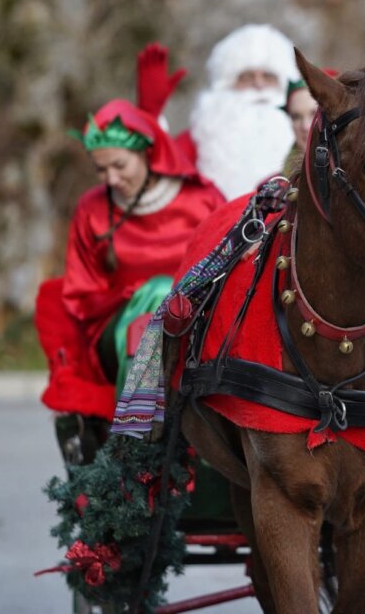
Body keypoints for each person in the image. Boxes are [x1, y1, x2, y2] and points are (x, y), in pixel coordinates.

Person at [35, 46, 225, 463]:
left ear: (145, 152)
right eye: (100, 169)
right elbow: (82, 293)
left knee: (166, 300)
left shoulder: (200, 198)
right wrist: (141, 297)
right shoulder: (92, 208)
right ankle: (138, 441)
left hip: (196, 322)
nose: (110, 178)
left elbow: (227, 267)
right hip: (116, 331)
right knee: (154, 296)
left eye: (119, 166)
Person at [179, 24, 299, 199]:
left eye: (268, 76)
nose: (259, 85)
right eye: (248, 77)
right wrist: (150, 115)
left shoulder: (306, 135)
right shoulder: (200, 138)